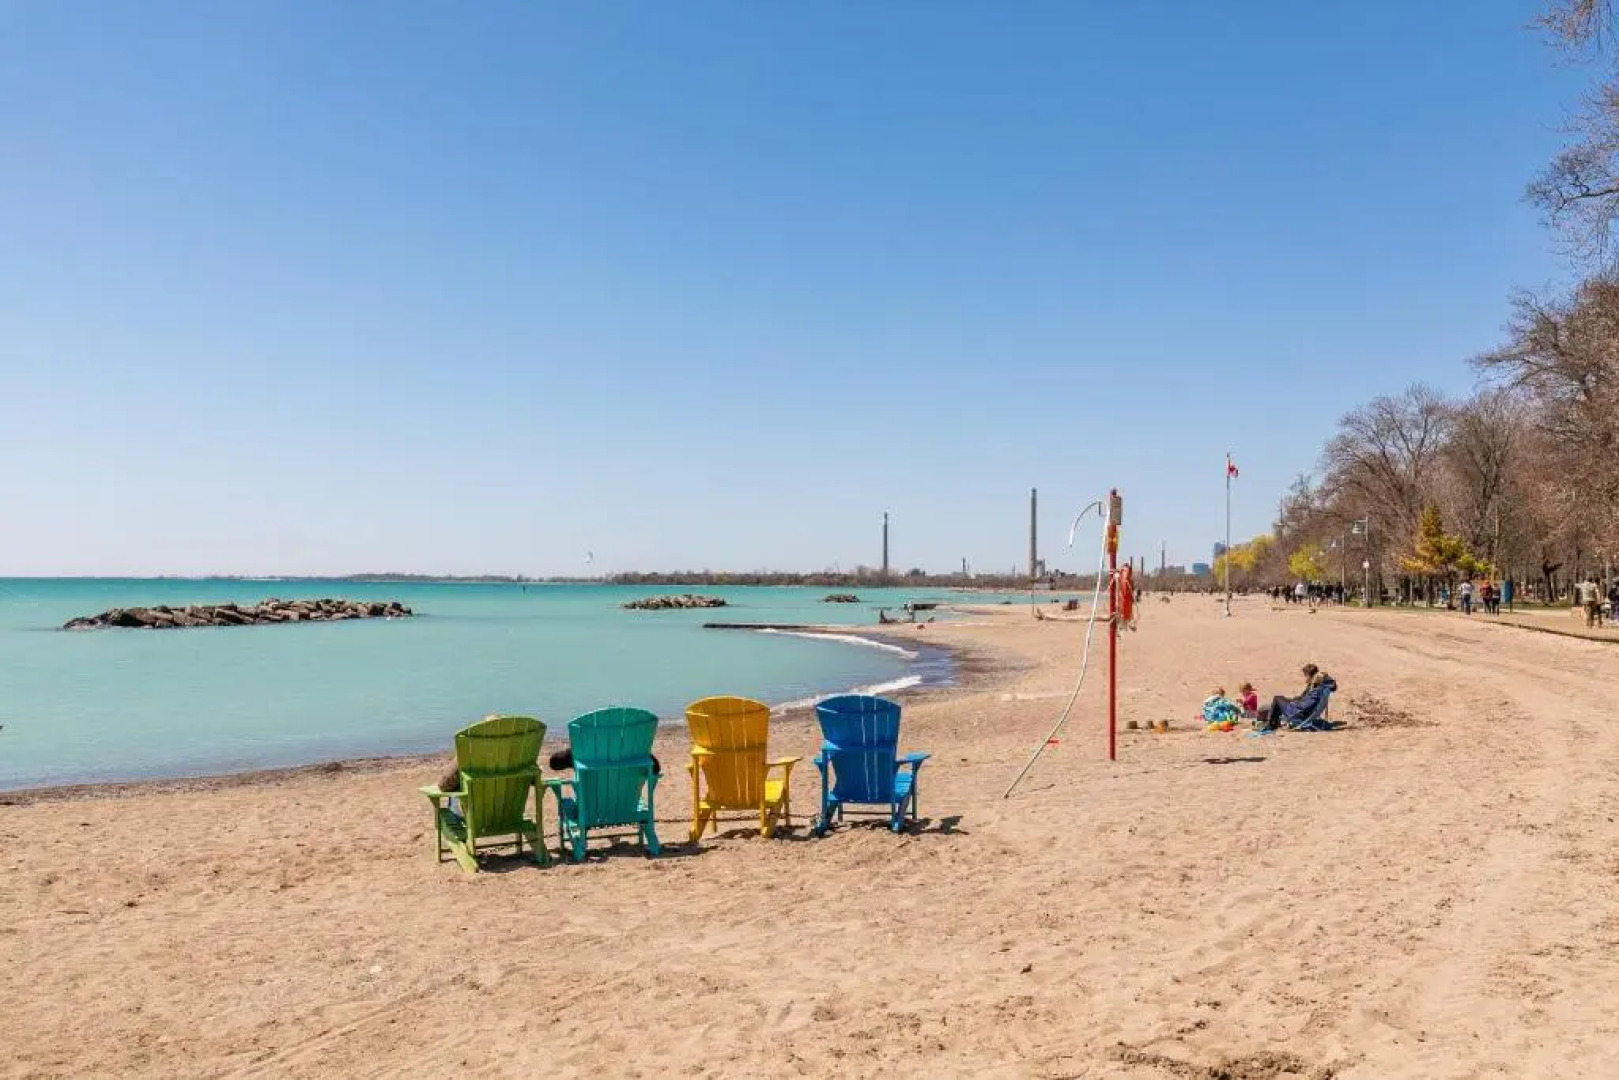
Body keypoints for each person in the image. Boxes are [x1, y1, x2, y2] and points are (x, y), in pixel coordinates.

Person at [1259, 664, 1338, 732]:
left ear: (1309, 675)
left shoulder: (1316, 690)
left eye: (1305, 675)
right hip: (1303, 711)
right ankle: (1274, 722)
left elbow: (1305, 706)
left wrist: (1294, 703)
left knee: (1277, 698)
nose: (1305, 678)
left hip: (1298, 714)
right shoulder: (1320, 688)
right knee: (1282, 699)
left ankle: (1271, 725)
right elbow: (1306, 700)